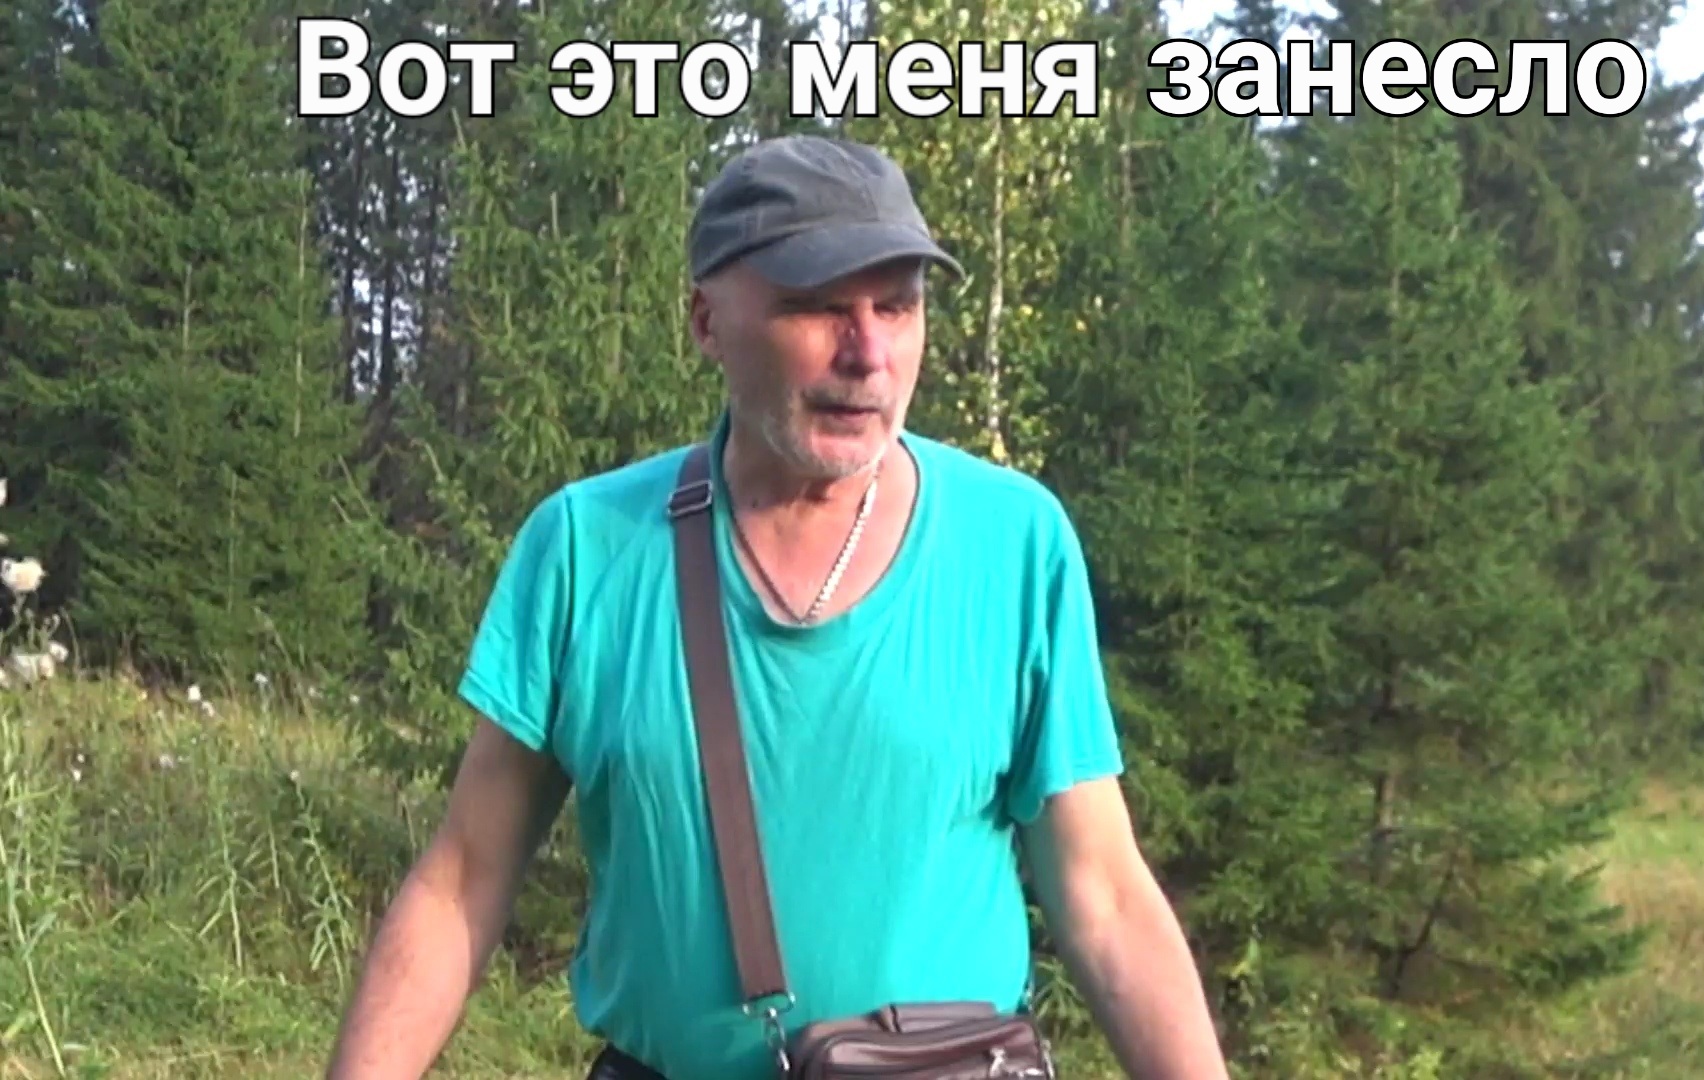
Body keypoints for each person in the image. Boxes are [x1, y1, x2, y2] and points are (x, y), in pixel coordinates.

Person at [323, 134, 1230, 1080]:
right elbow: (463, 880)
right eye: (819, 306)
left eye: (897, 305)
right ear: (707, 322)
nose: (868, 353)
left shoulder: (1014, 544)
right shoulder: (588, 548)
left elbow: (1104, 900)